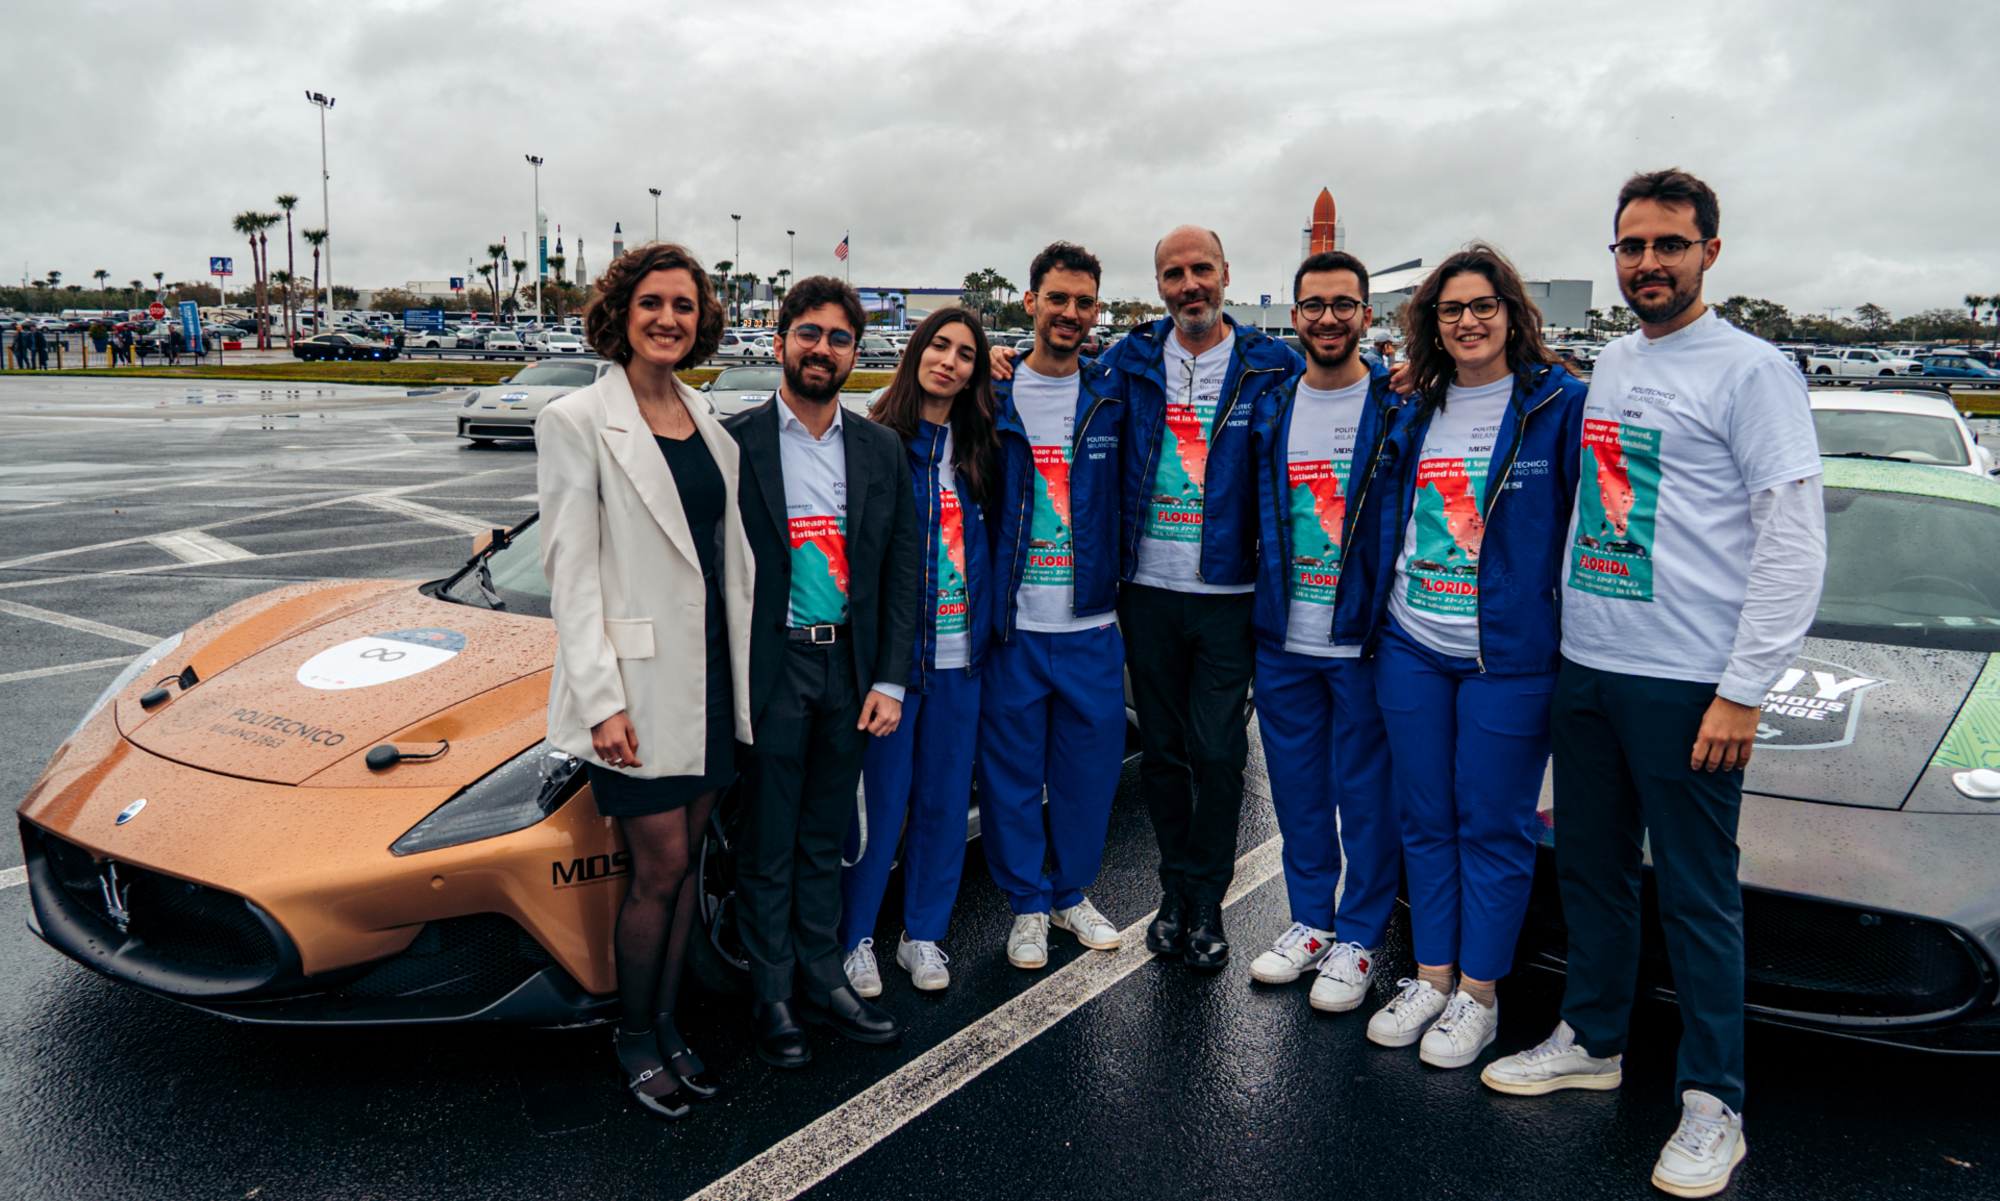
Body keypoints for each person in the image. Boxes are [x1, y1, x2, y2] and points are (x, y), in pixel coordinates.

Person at [1481, 169, 1825, 1200]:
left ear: (1708, 252)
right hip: (1588, 667)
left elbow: (1791, 542)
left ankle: (1713, 1101)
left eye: (1667, 245)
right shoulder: (1617, 362)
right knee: (1589, 871)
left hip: (1686, 684)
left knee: (1695, 892)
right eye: (1628, 246)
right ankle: (1590, 1037)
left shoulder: (1752, 372)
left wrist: (1742, 689)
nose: (1644, 264)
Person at [1340, 244, 1587, 1070]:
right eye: (1452, 310)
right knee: (1425, 817)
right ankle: (1432, 976)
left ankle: (1480, 994)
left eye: (1484, 306)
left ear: (1513, 313)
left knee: (1493, 824)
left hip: (1508, 659)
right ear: (1431, 324)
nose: (1469, 321)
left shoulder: (1558, 405)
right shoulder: (1416, 406)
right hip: (1411, 643)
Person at [537, 243, 753, 1120]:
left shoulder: (704, 414)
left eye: (686, 306)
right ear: (622, 312)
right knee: (658, 869)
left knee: (689, 856)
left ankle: (666, 1022)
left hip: (709, 678)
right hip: (634, 690)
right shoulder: (576, 419)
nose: (670, 318)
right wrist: (602, 703)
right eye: (653, 303)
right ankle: (633, 1037)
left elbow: (722, 555)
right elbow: (570, 574)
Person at [724, 275, 921, 1069]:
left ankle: (823, 975)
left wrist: (890, 678)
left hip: (850, 669)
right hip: (772, 668)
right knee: (767, 841)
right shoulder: (732, 443)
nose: (823, 349)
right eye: (808, 333)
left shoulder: (879, 446)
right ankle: (772, 993)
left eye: (840, 338)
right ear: (780, 342)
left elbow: (903, 569)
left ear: (854, 352)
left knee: (822, 839)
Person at [1105, 226, 1302, 968]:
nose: (1190, 285)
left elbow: (1340, 395)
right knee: (1162, 753)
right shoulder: (1128, 359)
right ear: (1159, 285)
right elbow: (1055, 382)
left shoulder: (1269, 363)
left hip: (1228, 591)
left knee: (1217, 752)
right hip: (1146, 589)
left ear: (1226, 274)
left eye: (1201, 270)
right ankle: (1174, 893)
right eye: (1174, 273)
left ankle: (1207, 896)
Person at [1241, 250, 1402, 1012]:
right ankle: (1310, 921)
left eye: (1344, 304)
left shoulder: (1401, 406)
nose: (1328, 317)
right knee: (1298, 794)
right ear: (1294, 315)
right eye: (1314, 305)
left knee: (1366, 795)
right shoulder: (1273, 407)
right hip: (1282, 638)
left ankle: (1360, 935)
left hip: (1363, 640)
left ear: (1366, 315)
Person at [839, 306, 1000, 995]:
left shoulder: (980, 447)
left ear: (974, 373)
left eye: (967, 354)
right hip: (892, 668)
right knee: (880, 806)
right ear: (916, 352)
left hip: (962, 659)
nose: (951, 361)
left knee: (941, 803)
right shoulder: (874, 438)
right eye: (940, 345)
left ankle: (924, 935)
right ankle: (855, 939)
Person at [979, 242, 1129, 973]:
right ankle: (1028, 907)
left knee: (1088, 777)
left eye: (1084, 301)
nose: (1071, 312)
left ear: (1095, 310)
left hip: (1092, 627)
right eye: (1058, 298)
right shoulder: (992, 394)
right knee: (1010, 778)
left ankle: (1072, 893)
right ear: (1031, 301)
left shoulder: (1113, 393)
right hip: (1014, 627)